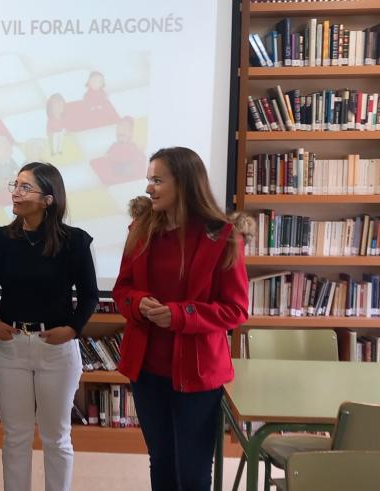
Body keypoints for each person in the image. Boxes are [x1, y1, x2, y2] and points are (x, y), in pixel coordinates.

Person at [112, 147, 250, 491]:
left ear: (184, 183)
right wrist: (138, 303)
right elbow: (122, 290)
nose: (148, 189)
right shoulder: (141, 229)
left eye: (157, 180)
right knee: (160, 461)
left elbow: (235, 310)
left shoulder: (223, 236)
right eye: (148, 180)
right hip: (146, 369)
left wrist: (179, 315)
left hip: (198, 372)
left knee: (192, 471)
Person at [0, 162, 99, 491]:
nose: (15, 193)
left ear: (48, 199)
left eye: (25, 187)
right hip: (10, 348)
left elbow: (89, 295)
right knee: (15, 436)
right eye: (14, 185)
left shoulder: (74, 242)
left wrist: (72, 329)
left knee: (56, 437)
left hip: (56, 349)